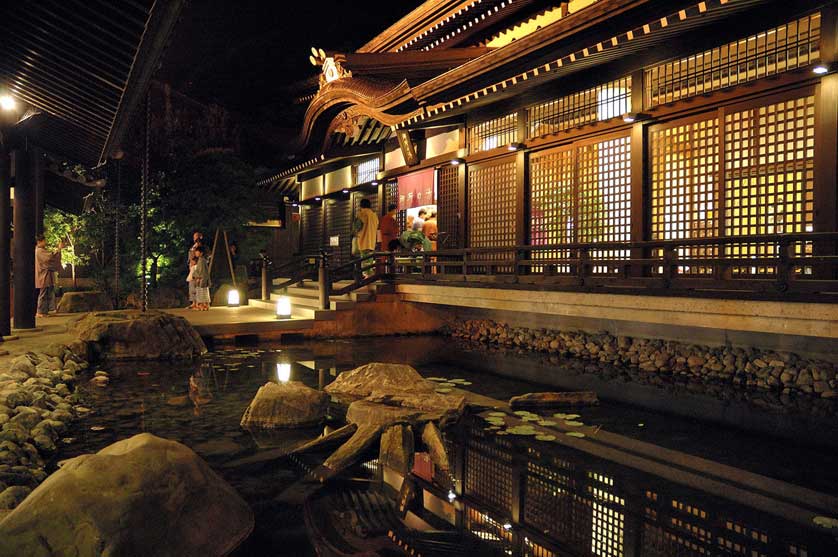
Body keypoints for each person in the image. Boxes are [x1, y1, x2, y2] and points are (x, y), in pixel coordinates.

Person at [35, 234, 64, 317]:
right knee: (43, 293)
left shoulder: (40, 250)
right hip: (43, 275)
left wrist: (58, 250)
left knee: (46, 293)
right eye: (44, 241)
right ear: (40, 241)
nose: (45, 242)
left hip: (45, 275)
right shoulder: (39, 251)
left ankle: (45, 311)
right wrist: (58, 249)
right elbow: (49, 258)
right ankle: (40, 312)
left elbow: (50, 256)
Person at [353, 198, 379, 277]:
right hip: (372, 241)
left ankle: (366, 276)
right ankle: (369, 274)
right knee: (370, 259)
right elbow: (377, 226)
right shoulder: (374, 215)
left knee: (364, 259)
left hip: (363, 241)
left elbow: (356, 228)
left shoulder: (360, 214)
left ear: (361, 206)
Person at [191, 245, 211, 311]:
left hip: (201, 279)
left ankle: (202, 305)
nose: (196, 253)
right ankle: (205, 305)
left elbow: (201, 271)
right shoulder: (202, 260)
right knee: (204, 292)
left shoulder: (202, 260)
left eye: (197, 252)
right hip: (203, 278)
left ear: (201, 253)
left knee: (201, 292)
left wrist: (198, 277)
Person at [187, 231, 203, 309]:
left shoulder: (201, 247)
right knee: (191, 284)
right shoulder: (193, 246)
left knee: (197, 284)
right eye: (194, 237)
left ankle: (198, 302)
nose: (195, 238)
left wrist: (195, 262)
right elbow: (190, 254)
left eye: (196, 237)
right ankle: (193, 302)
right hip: (192, 267)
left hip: (197, 267)